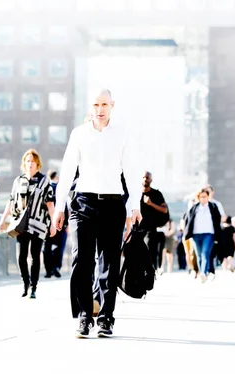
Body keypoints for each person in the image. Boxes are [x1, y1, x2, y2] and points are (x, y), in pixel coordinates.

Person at [52, 89, 142, 338]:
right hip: (83, 203)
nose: (100, 109)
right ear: (90, 107)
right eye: (96, 104)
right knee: (82, 260)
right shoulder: (79, 134)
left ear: (112, 105)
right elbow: (67, 171)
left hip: (113, 204)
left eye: (104, 104)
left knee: (110, 262)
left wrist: (135, 206)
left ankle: (105, 318)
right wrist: (59, 208)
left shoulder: (122, 134)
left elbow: (133, 172)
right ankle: (83, 316)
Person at [0, 149, 56, 299]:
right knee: (21, 256)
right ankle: (25, 282)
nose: (30, 163)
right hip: (21, 224)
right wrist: (2, 220)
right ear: (24, 163)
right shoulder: (18, 181)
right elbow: (11, 201)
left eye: (32, 161)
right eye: (27, 161)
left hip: (38, 224)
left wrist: (53, 224)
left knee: (35, 256)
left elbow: (50, 204)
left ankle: (34, 287)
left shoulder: (44, 181)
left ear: (38, 163)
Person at [184, 187, 222, 282]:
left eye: (205, 196)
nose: (203, 198)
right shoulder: (194, 208)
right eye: (201, 197)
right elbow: (188, 220)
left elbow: (217, 220)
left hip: (209, 234)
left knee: (205, 253)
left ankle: (203, 273)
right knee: (199, 255)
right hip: (196, 234)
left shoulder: (213, 207)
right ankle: (202, 272)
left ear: (208, 197)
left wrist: (218, 235)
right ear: (198, 197)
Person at [140, 171, 169, 273]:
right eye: (143, 177)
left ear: (151, 180)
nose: (145, 179)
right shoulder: (135, 193)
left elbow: (165, 209)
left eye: (147, 177)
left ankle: (151, 273)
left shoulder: (156, 194)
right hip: (137, 228)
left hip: (151, 228)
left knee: (150, 251)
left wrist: (151, 203)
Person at [43, 170, 68, 279]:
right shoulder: (62, 189)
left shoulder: (45, 188)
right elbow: (68, 205)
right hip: (62, 222)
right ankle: (57, 266)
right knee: (60, 246)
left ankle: (49, 269)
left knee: (46, 247)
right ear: (56, 177)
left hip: (47, 223)